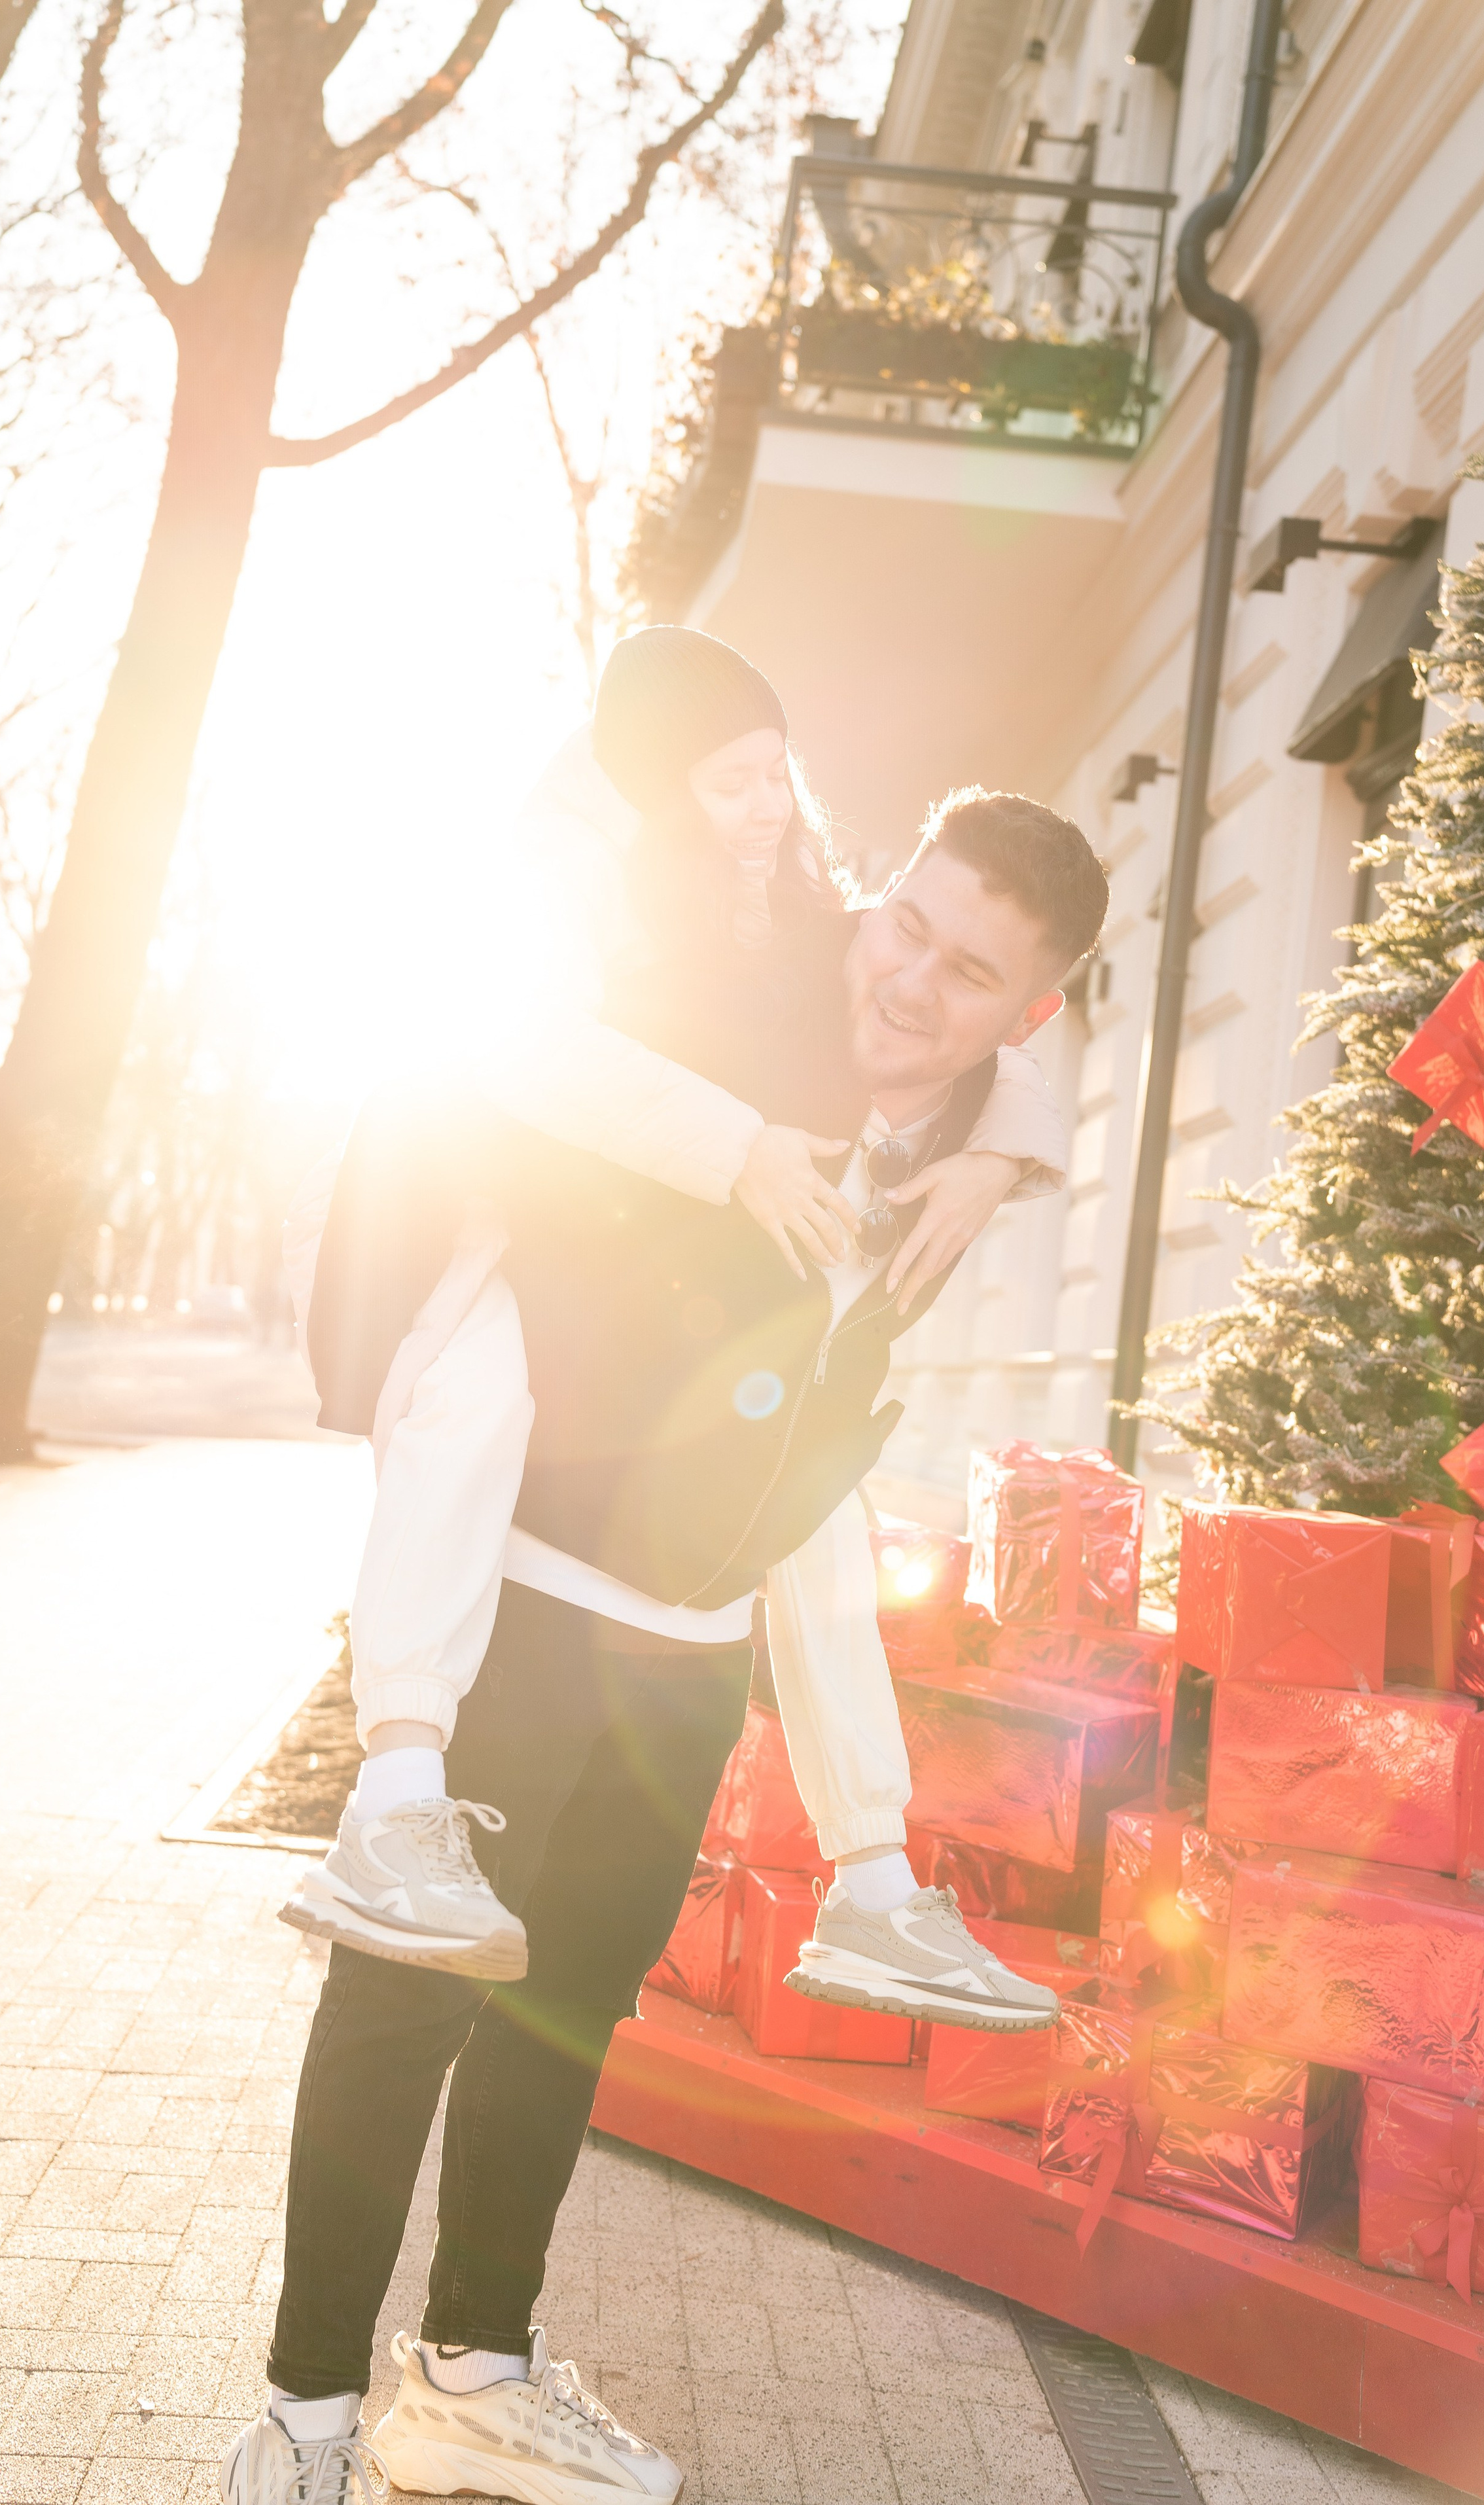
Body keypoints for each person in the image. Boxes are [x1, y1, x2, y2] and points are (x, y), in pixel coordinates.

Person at [221, 781, 1110, 2505]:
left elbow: (1065, 1080)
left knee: (565, 2015)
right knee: (402, 2005)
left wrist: (1012, 1144)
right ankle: (306, 2419)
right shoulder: (733, 1010)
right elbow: (518, 1022)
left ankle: (474, 2373)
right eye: (905, 924)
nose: (910, 981)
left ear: (1029, 1009)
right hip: (526, 1606)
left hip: (693, 1652)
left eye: (970, 968)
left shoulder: (970, 1137)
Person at [277, 630, 1067, 1995]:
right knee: (469, 1414)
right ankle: (394, 1793)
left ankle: (871, 1881)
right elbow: (515, 1044)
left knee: (816, 1524)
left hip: (633, 1306)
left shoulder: (794, 910)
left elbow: (1006, 999)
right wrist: (741, 1144)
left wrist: (1001, 1148)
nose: (766, 808)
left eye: (776, 774)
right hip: (475, 1233)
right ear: (653, 795)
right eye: (728, 783)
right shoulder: (580, 878)